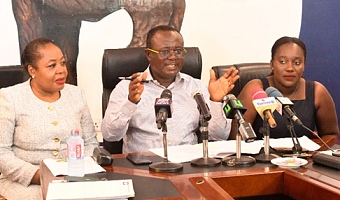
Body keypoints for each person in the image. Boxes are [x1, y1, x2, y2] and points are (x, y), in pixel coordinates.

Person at [102, 25, 239, 153]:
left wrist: (215, 102)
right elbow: (110, 135)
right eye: (165, 51)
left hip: (188, 165)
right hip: (144, 168)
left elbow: (218, 137)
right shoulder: (128, 88)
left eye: (178, 51)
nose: (173, 57)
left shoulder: (195, 87)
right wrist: (130, 103)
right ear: (149, 54)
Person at [0, 38, 98, 200]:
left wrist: (76, 171)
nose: (61, 70)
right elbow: (2, 152)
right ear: (32, 70)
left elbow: (90, 143)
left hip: (74, 178)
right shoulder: (10, 98)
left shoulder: (76, 94)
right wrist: (41, 176)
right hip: (26, 182)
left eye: (63, 63)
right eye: (52, 65)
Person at [234, 36, 339, 141]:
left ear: (304, 65)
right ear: (272, 64)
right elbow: (236, 137)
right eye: (282, 62)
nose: (290, 68)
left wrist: (313, 155)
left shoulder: (317, 92)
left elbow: (332, 135)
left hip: (302, 157)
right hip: (261, 156)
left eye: (297, 63)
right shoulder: (255, 89)